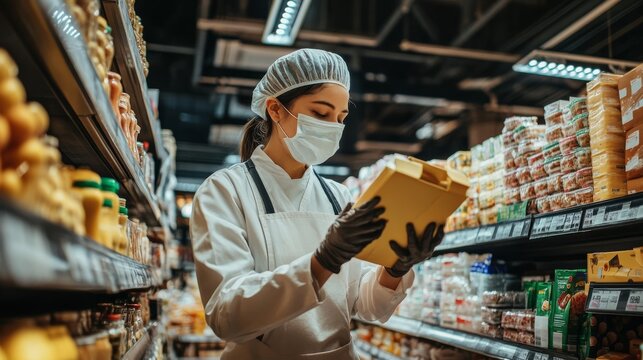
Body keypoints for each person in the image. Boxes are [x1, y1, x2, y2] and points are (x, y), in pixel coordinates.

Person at [191, 48, 444, 359]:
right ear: (275, 109)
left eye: (340, 118)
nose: (332, 127)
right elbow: (227, 315)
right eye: (321, 114)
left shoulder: (339, 197)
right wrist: (322, 261)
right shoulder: (225, 191)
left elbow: (364, 305)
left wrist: (395, 268)